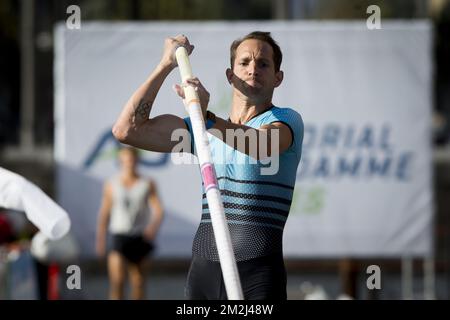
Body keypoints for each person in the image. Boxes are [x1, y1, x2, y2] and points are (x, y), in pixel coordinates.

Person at [112, 31, 303, 300]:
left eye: (263, 64)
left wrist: (208, 119)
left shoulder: (286, 120)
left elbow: (261, 146)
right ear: (230, 75)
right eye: (245, 62)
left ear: (278, 77)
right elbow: (127, 130)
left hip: (257, 275)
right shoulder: (201, 131)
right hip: (204, 272)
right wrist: (166, 65)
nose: (253, 70)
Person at [95, 147, 164, 300]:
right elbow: (105, 212)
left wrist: (152, 228)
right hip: (119, 235)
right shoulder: (112, 183)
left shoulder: (147, 183)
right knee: (117, 281)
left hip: (139, 236)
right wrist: (100, 239)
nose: (128, 164)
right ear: (120, 162)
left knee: (138, 282)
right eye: (125, 160)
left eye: (131, 160)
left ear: (137, 161)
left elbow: (159, 210)